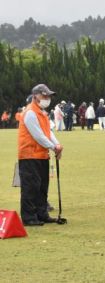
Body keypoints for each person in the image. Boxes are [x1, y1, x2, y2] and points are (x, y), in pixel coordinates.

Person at [18, 84, 63, 226]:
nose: (47, 98)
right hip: (29, 155)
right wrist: (53, 147)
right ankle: (29, 217)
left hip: (41, 155)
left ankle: (41, 213)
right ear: (36, 95)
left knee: (42, 187)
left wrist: (57, 145)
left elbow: (48, 132)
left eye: (48, 96)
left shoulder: (42, 112)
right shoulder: (30, 112)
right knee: (31, 187)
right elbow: (38, 135)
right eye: (45, 95)